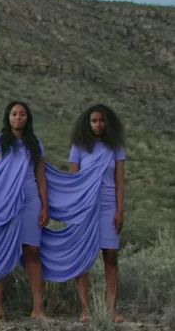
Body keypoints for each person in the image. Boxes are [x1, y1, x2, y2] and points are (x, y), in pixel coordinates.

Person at [0, 101, 48, 321]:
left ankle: (38, 309)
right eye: (14, 114)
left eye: (22, 114)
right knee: (2, 252)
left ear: (27, 118)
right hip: (5, 203)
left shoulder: (35, 143)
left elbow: (41, 176)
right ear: (8, 117)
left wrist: (45, 206)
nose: (18, 117)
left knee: (32, 252)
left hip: (31, 201)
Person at [69, 104, 125, 323]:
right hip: (85, 207)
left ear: (107, 123)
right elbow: (73, 182)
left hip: (109, 205)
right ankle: (85, 309)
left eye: (102, 120)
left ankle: (111, 309)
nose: (98, 124)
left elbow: (120, 181)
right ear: (87, 123)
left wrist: (120, 211)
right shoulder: (79, 147)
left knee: (110, 256)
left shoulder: (116, 147)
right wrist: (74, 212)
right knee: (83, 258)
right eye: (94, 121)